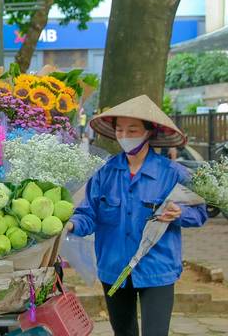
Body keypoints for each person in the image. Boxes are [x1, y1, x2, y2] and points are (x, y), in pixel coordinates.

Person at [66, 95, 207, 336]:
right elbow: (88, 215)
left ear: (148, 133)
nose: (124, 135)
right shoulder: (105, 173)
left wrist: (179, 212)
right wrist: (69, 225)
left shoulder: (172, 173)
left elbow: (200, 213)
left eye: (132, 129)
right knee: (123, 332)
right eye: (119, 129)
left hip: (158, 269)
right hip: (114, 268)